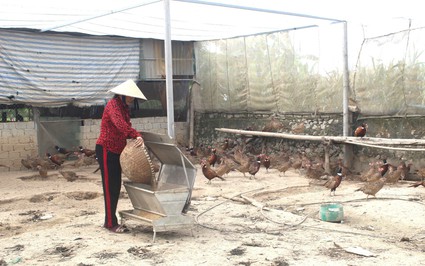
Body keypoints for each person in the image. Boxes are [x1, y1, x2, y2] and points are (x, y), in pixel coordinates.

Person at [95, 79, 147, 233]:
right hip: (106, 149)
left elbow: (126, 126)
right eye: (130, 96)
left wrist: (135, 134)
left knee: (115, 186)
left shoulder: (123, 108)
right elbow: (121, 125)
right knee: (110, 186)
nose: (132, 99)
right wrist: (135, 134)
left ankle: (110, 221)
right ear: (122, 95)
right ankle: (110, 223)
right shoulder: (113, 106)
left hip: (116, 150)